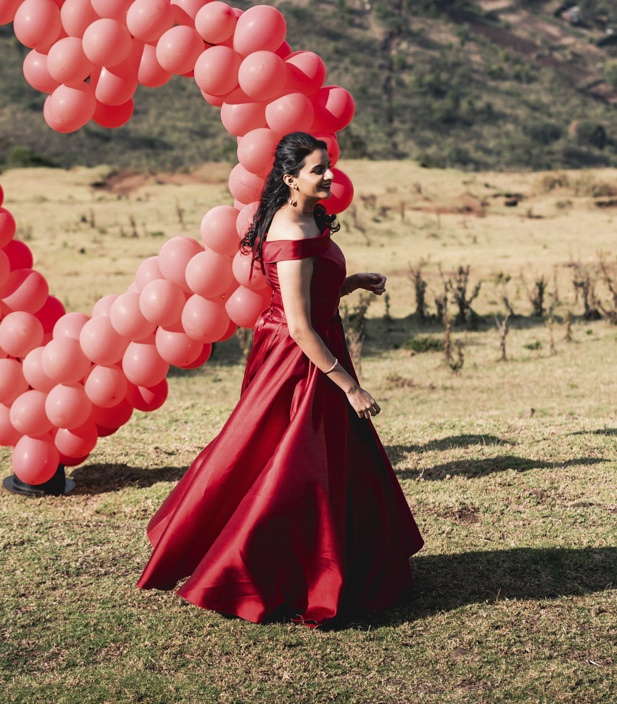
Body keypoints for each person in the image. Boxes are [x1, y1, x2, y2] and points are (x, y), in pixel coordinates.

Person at [137, 132, 423, 626]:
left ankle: (336, 564)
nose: (330, 175)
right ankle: (267, 572)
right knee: (291, 465)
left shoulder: (310, 217)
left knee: (320, 461)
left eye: (328, 165)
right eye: (318, 169)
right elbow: (298, 325)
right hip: (301, 360)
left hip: (317, 346)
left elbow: (311, 291)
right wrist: (349, 385)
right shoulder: (289, 231)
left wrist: (349, 283)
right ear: (291, 179)